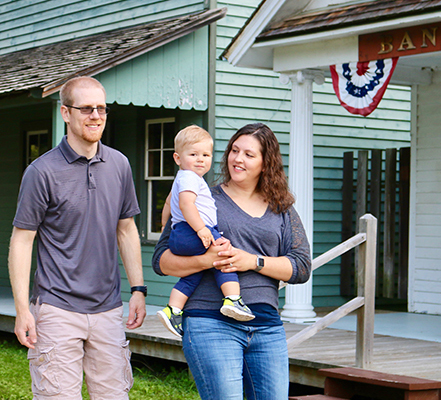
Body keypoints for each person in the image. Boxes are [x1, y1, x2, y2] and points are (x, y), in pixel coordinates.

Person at [8, 76, 146, 400]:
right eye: (86, 109)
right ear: (66, 113)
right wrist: (21, 309)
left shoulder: (120, 165)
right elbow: (22, 240)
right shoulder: (41, 172)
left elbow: (126, 229)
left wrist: (138, 288)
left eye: (101, 108)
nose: (95, 116)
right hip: (57, 309)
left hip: (108, 309)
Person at [152, 123, 311, 400]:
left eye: (249, 154)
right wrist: (207, 260)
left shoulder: (281, 208)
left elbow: (300, 267)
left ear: (265, 163)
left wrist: (252, 261)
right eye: (234, 151)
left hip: (267, 325)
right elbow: (162, 261)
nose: (238, 159)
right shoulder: (200, 197)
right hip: (210, 322)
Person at [157, 125, 254, 339]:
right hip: (195, 230)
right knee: (224, 258)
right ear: (177, 158)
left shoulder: (182, 179)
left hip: (180, 232)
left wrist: (168, 227)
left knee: (193, 274)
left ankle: (173, 310)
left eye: (206, 155)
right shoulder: (190, 177)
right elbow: (185, 204)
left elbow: (168, 204)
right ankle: (232, 299)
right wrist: (201, 229)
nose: (201, 159)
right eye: (193, 154)